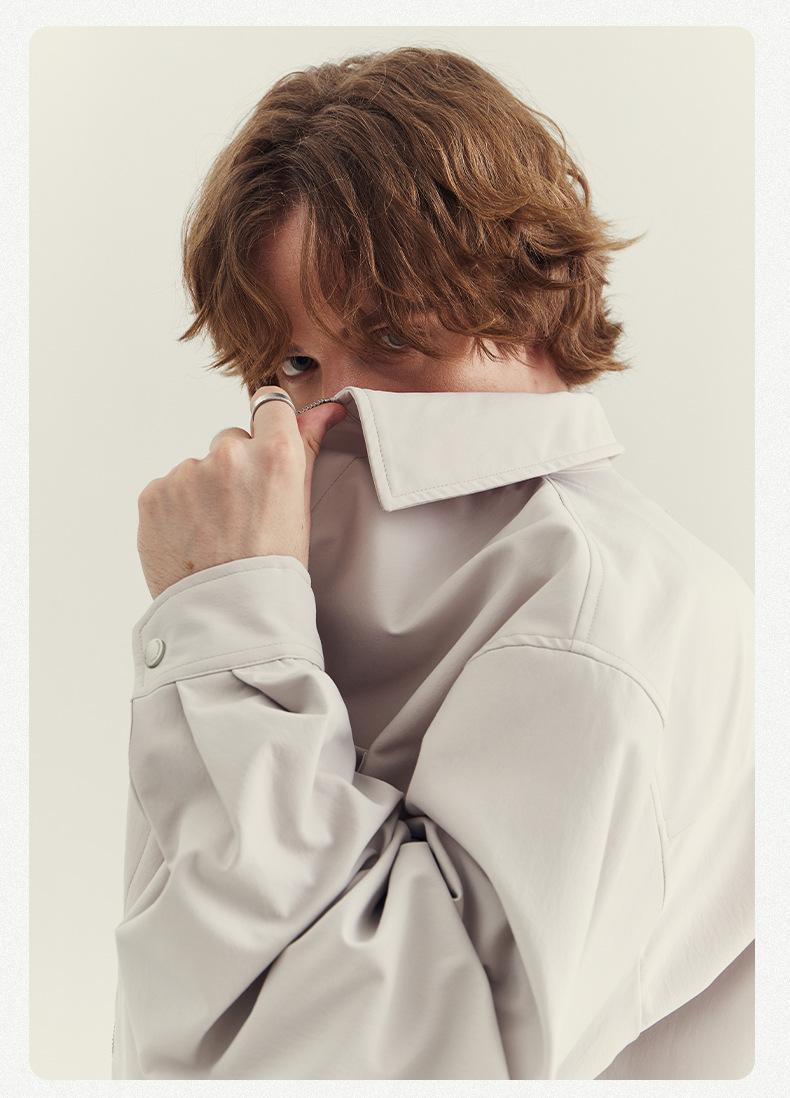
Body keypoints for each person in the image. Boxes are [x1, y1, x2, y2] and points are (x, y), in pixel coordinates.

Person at [111, 46, 754, 1080]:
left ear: (533, 307)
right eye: (296, 363)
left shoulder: (591, 610)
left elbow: (388, 1059)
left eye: (394, 341)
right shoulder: (321, 563)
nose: (335, 408)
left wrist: (226, 632)